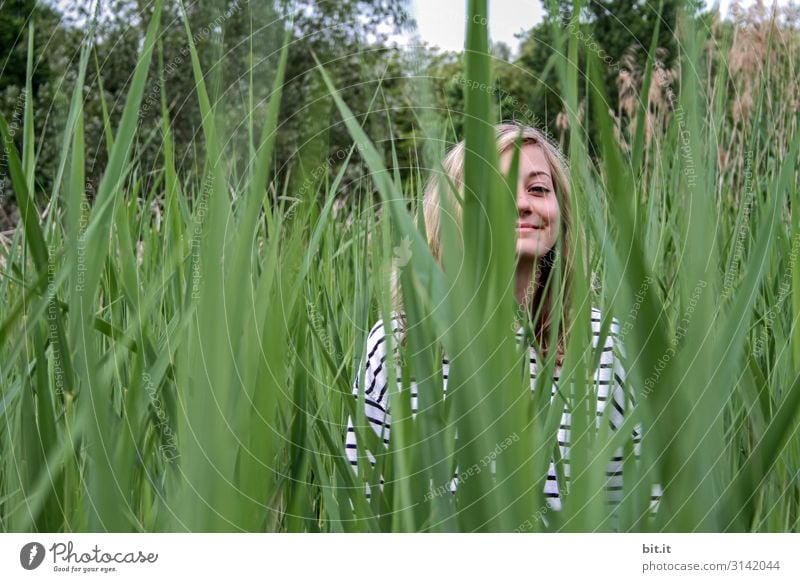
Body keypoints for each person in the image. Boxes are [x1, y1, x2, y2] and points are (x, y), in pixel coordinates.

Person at [344, 121, 659, 524]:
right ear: (453, 212)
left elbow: (643, 509)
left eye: (539, 189)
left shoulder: (608, 345)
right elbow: (364, 508)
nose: (522, 203)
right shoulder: (399, 345)